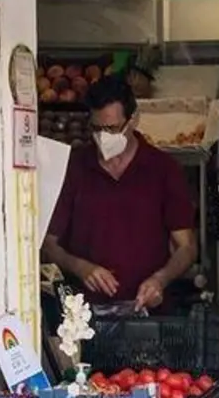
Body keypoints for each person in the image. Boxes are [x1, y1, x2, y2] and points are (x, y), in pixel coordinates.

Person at [42, 76, 197, 311]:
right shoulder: (73, 167)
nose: (103, 137)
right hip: (82, 316)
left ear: (133, 120)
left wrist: (160, 280)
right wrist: (80, 267)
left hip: (145, 311)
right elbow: (48, 243)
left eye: (112, 128)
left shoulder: (163, 169)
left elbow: (186, 247)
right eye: (96, 128)